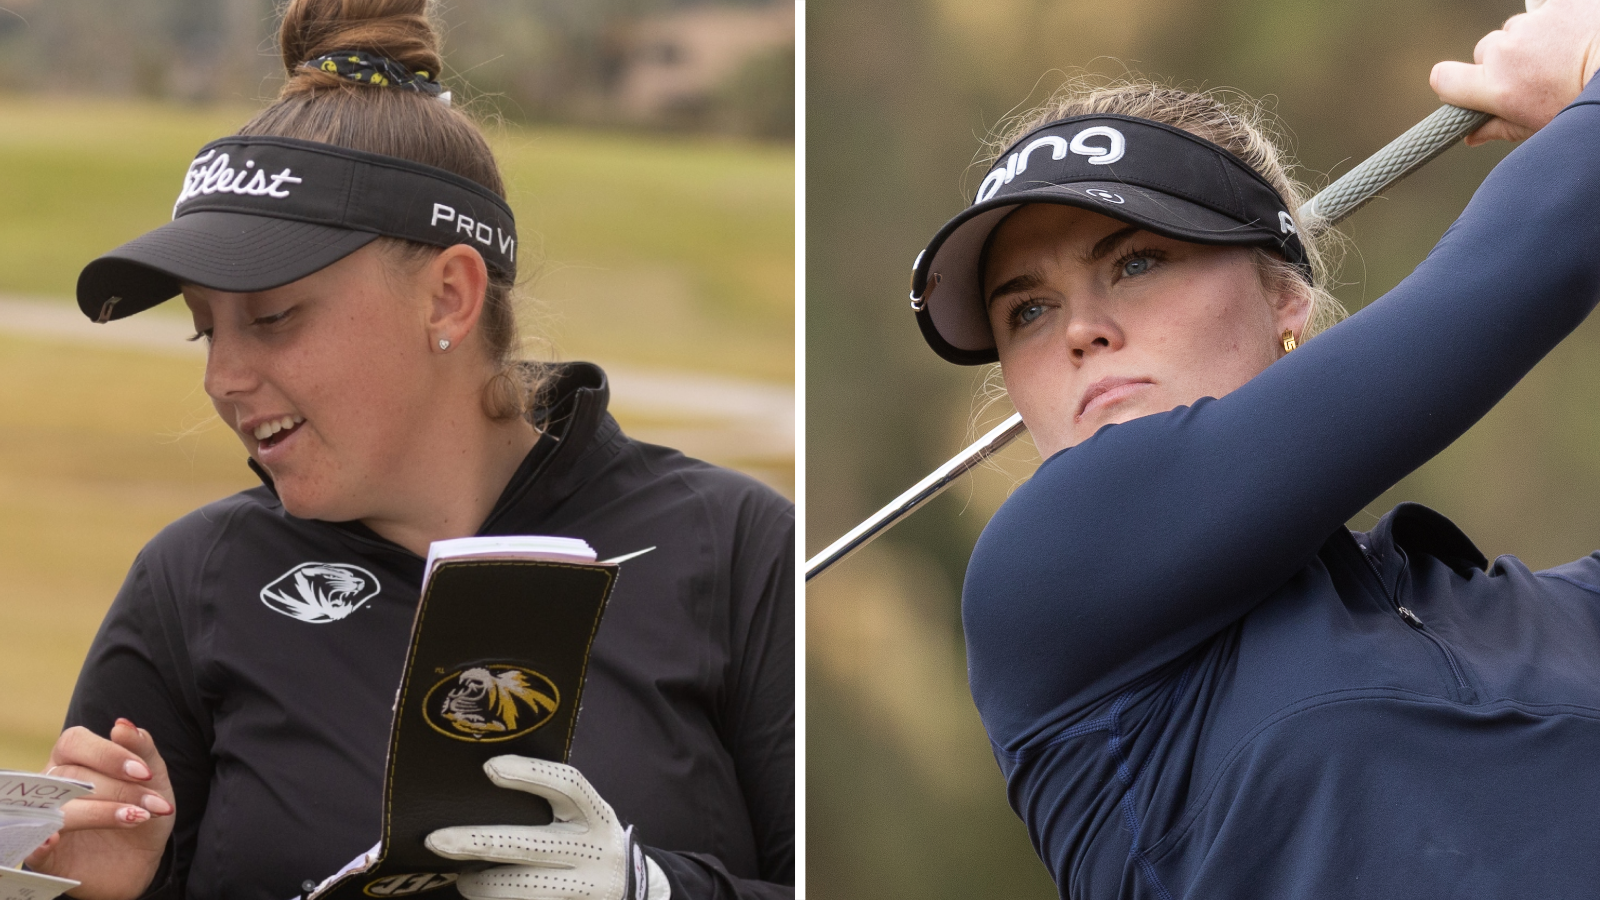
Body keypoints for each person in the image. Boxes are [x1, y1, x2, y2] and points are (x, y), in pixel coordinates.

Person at [23, 2, 794, 900]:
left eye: (272, 318)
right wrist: (104, 896)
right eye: (205, 330)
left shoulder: (734, 547)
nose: (221, 378)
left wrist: (652, 890)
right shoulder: (189, 583)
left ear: (448, 297)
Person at [906, 1, 1600, 897]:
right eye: (1028, 310)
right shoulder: (1042, 576)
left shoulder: (1558, 616)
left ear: (1284, 298)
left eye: (1137, 262)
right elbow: (1508, 278)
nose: (1081, 330)